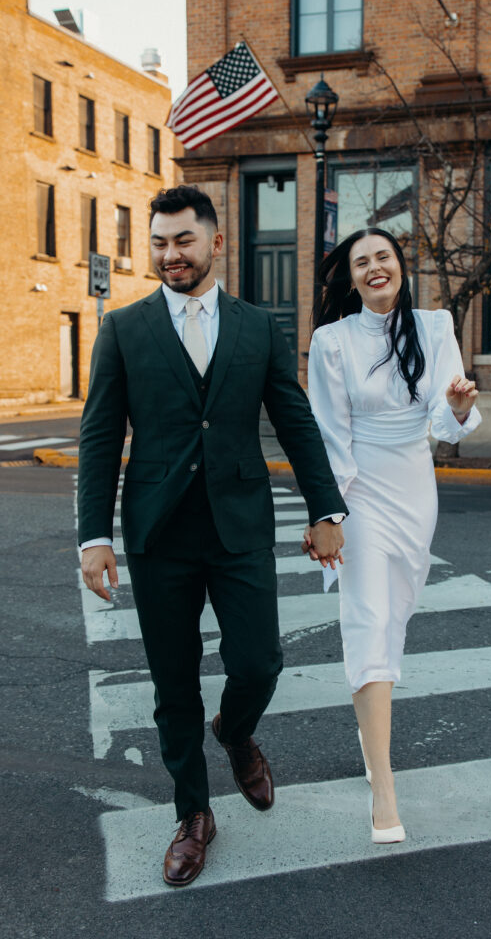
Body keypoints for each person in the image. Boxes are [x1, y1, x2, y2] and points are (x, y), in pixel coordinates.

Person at [78, 185, 346, 887]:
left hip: (240, 526)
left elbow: (294, 421)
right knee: (173, 685)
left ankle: (234, 730)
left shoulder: (257, 327)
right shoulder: (124, 329)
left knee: (259, 661)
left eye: (183, 241)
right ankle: (193, 816)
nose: (170, 254)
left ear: (214, 243)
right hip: (158, 533)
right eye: (160, 242)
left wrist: (326, 510)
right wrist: (92, 536)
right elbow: (100, 437)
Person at [304, 227, 481, 844]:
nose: (375, 268)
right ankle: (384, 787)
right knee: (368, 617)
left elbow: (443, 423)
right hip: (360, 491)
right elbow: (328, 432)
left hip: (414, 487)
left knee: (396, 615)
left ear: (400, 266)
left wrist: (457, 407)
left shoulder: (434, 327)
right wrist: (330, 514)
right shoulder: (331, 341)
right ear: (350, 278)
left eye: (384, 257)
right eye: (362, 262)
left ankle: (367, 727)